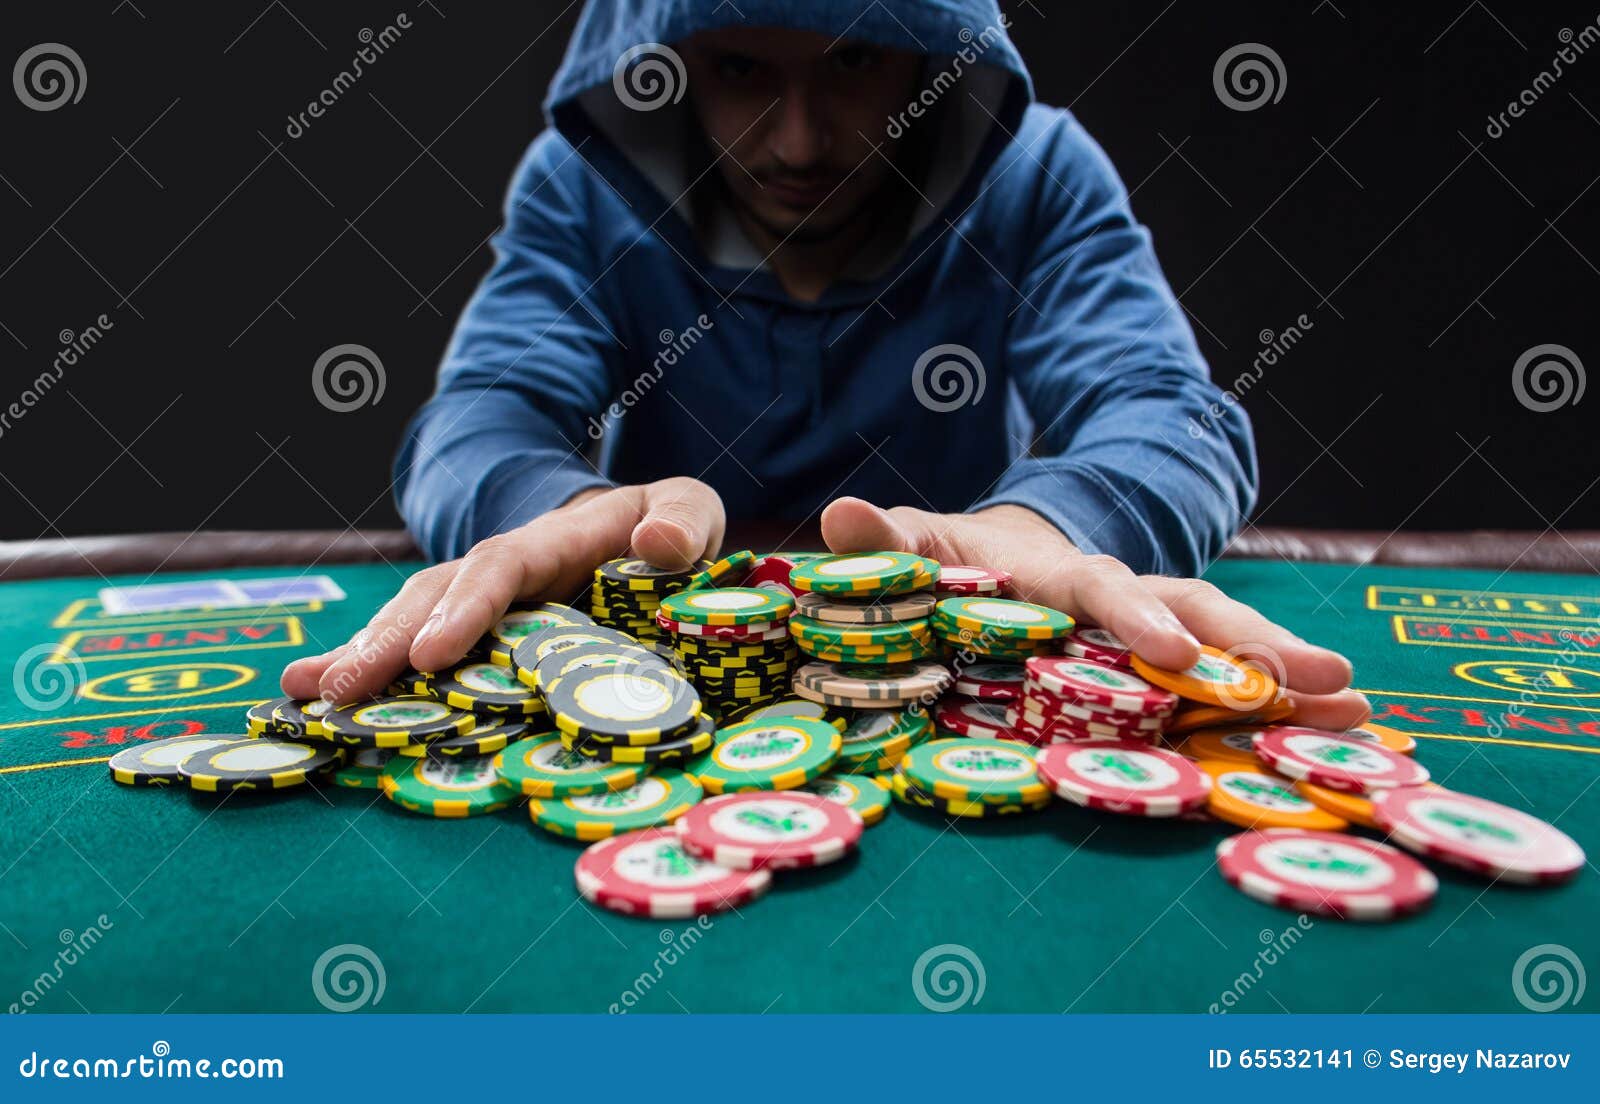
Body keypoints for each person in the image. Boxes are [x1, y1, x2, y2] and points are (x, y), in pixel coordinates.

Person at [283, 0, 1366, 730]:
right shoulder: (585, 186)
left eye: (853, 59)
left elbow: (1173, 414)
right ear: (666, 73)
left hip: (943, 691)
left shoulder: (1036, 173)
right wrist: (550, 509)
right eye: (743, 67)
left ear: (931, 63)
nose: (798, 143)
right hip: (655, 675)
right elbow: (478, 416)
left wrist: (1037, 532)